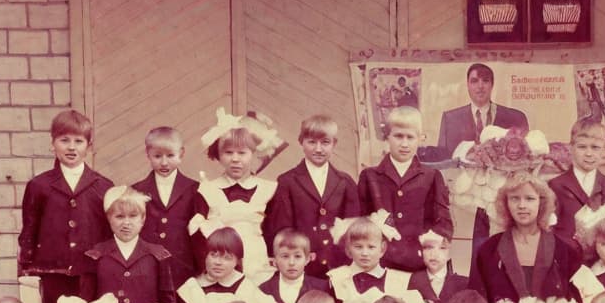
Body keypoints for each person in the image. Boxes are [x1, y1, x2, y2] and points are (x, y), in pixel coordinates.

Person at [468, 173, 582, 303]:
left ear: (542, 203)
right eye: (515, 199)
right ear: (505, 204)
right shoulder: (489, 250)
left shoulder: (565, 250)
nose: (522, 206)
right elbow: (476, 302)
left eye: (529, 199)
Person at [18, 109, 113, 303]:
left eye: (78, 141)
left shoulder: (103, 186)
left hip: (90, 273)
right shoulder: (39, 185)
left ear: (88, 146)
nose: (71, 147)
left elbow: (109, 234)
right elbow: (29, 231)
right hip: (52, 273)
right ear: (52, 144)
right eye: (64, 140)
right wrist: (27, 269)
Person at [80, 186, 176, 303]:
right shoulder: (96, 255)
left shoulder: (157, 255)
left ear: (143, 219)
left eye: (133, 216)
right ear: (109, 218)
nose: (126, 223)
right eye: (119, 216)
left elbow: (168, 302)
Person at [190, 109, 284, 283]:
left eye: (242, 153)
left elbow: (276, 232)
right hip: (220, 269)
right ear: (218, 154)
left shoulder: (269, 190)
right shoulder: (207, 190)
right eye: (228, 153)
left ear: (253, 154)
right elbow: (198, 239)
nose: (235, 159)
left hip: (260, 267)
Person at [263, 114, 359, 279]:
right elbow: (282, 228)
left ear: (334, 144)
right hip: (301, 268)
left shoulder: (345, 182)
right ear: (301, 142)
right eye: (312, 142)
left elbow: (353, 227)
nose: (318, 149)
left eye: (325, 142)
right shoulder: (287, 181)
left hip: (338, 267)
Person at [358, 106, 453, 273]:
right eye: (398, 136)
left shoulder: (431, 177)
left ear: (420, 139)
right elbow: (359, 222)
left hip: (419, 266)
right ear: (387, 137)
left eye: (410, 137)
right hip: (380, 265)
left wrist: (430, 248)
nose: (404, 144)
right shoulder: (370, 177)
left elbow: (443, 224)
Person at [327, 215, 428, 303]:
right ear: (348, 249)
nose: (364, 253)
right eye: (358, 247)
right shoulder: (338, 278)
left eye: (371, 247)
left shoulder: (399, 281)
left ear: (382, 249)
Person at [132, 126, 201, 285]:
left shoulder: (193, 189)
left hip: (182, 268)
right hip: (147, 266)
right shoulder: (137, 190)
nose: (164, 162)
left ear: (181, 153)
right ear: (147, 154)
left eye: (170, 155)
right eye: (157, 156)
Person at [548, 117, 605, 245]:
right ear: (571, 148)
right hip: (567, 258)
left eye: (595, 147)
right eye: (582, 147)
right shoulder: (555, 186)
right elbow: (549, 229)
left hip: (602, 259)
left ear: (604, 150)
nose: (589, 153)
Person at [259, 228, 330, 303]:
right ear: (274, 261)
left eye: (297, 256)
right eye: (285, 256)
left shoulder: (322, 288)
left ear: (308, 258)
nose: (291, 263)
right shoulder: (264, 290)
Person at [436, 63, 529, 158]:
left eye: (485, 81)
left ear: (492, 85)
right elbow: (441, 161)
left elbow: (527, 158)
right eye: (474, 81)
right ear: (467, 85)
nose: (480, 86)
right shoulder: (450, 119)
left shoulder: (516, 118)